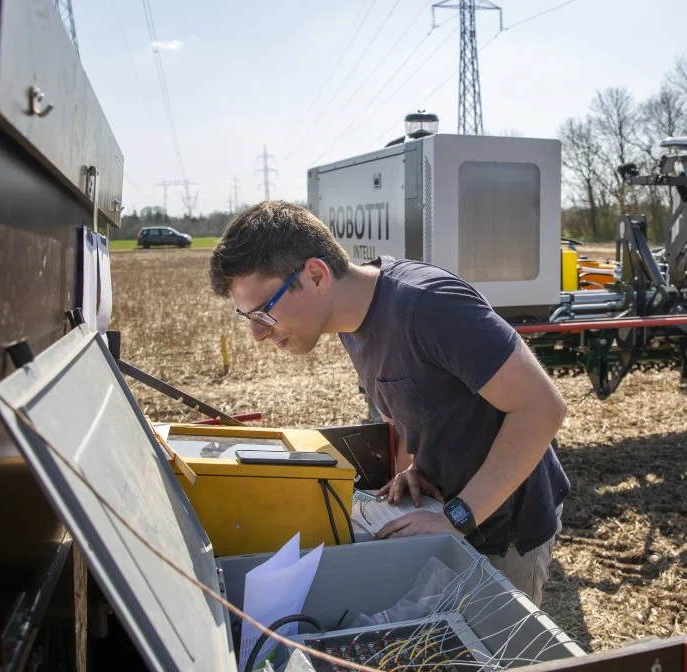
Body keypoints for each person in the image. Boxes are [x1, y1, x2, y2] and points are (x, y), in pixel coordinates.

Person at [208, 201, 570, 605]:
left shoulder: (429, 305)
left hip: (504, 525)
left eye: (264, 312)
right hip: (441, 513)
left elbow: (541, 408)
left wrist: (457, 517)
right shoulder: (348, 321)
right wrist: (413, 466)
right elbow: (406, 403)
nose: (258, 334)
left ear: (315, 275)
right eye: (248, 317)